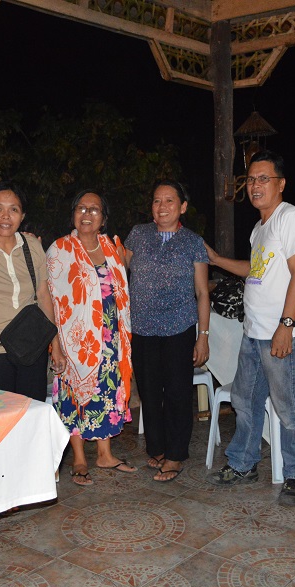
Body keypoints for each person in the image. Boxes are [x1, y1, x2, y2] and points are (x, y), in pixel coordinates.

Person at [205, 150, 295, 506]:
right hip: (254, 331)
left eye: (263, 178)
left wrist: (287, 325)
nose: (255, 185)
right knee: (245, 400)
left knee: (288, 405)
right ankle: (243, 462)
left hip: (281, 331)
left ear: (281, 184)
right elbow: (256, 271)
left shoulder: (290, 218)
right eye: (251, 179)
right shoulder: (260, 228)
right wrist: (217, 259)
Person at [46, 190, 137, 486]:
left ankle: (104, 455)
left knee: (107, 393)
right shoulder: (60, 249)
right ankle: (79, 459)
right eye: (81, 208)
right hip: (75, 340)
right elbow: (49, 299)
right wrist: (56, 343)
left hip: (111, 337)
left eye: (94, 209)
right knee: (74, 396)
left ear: (104, 218)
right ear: (73, 214)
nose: (87, 214)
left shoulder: (111, 248)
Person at [124, 179, 210, 482]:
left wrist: (203, 336)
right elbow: (117, 268)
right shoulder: (138, 235)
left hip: (179, 328)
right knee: (149, 392)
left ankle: (175, 455)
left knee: (177, 393)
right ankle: (157, 448)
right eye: (157, 201)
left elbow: (202, 292)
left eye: (169, 200)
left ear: (182, 207)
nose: (162, 206)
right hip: (142, 329)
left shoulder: (193, 242)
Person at [0, 181, 58, 401]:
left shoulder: (32, 245)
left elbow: (44, 296)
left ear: (22, 215)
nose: (6, 216)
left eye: (13, 209)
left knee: (31, 409)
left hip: (32, 346)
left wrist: (55, 344)